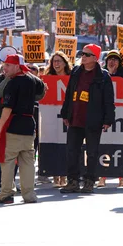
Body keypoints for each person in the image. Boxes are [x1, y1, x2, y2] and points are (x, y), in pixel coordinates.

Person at [59, 44, 115, 194]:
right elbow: (69, 93)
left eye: (87, 54)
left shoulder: (103, 76)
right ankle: (73, 181)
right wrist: (65, 113)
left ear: (95, 59)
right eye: (82, 53)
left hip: (93, 120)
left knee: (92, 152)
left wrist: (108, 119)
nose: (82, 56)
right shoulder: (76, 71)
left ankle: (89, 181)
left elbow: (109, 100)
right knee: (72, 151)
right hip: (75, 119)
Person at [0, 55, 46, 204]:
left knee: (8, 161)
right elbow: (43, 90)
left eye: (8, 65)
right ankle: (29, 195)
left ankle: (6, 194)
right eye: (4, 65)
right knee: (27, 161)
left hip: (13, 125)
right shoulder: (32, 80)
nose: (4, 68)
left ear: (17, 66)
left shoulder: (12, 83)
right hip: (29, 124)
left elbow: (7, 108)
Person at [99, 50, 123, 187]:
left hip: (122, 117)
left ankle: (122, 178)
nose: (112, 62)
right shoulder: (101, 75)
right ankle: (102, 177)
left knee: (120, 147)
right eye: (110, 59)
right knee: (104, 147)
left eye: (115, 60)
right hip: (105, 117)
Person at [44, 51, 72, 188]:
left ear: (65, 63)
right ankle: (55, 175)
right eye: (54, 61)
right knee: (54, 145)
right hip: (51, 115)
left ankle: (64, 175)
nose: (56, 64)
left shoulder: (71, 78)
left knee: (67, 145)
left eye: (59, 61)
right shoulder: (47, 78)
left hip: (67, 116)